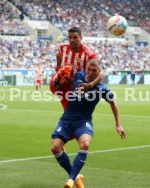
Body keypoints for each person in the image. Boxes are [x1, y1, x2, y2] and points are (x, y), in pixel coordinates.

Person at [51, 59, 126, 188]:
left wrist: (118, 124)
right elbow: (72, 85)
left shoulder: (102, 89)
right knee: (55, 148)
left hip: (83, 121)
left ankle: (70, 179)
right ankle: (76, 176)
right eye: (89, 70)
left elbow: (114, 102)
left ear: (99, 72)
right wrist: (59, 75)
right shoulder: (79, 76)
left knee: (85, 144)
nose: (90, 73)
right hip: (67, 119)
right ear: (86, 69)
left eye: (94, 71)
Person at [54, 26, 103, 110]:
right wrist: (58, 68)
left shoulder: (89, 53)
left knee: (72, 113)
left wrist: (90, 84)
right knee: (54, 82)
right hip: (65, 84)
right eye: (70, 38)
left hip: (79, 86)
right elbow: (58, 59)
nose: (72, 40)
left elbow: (101, 73)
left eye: (75, 37)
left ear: (81, 38)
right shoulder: (63, 48)